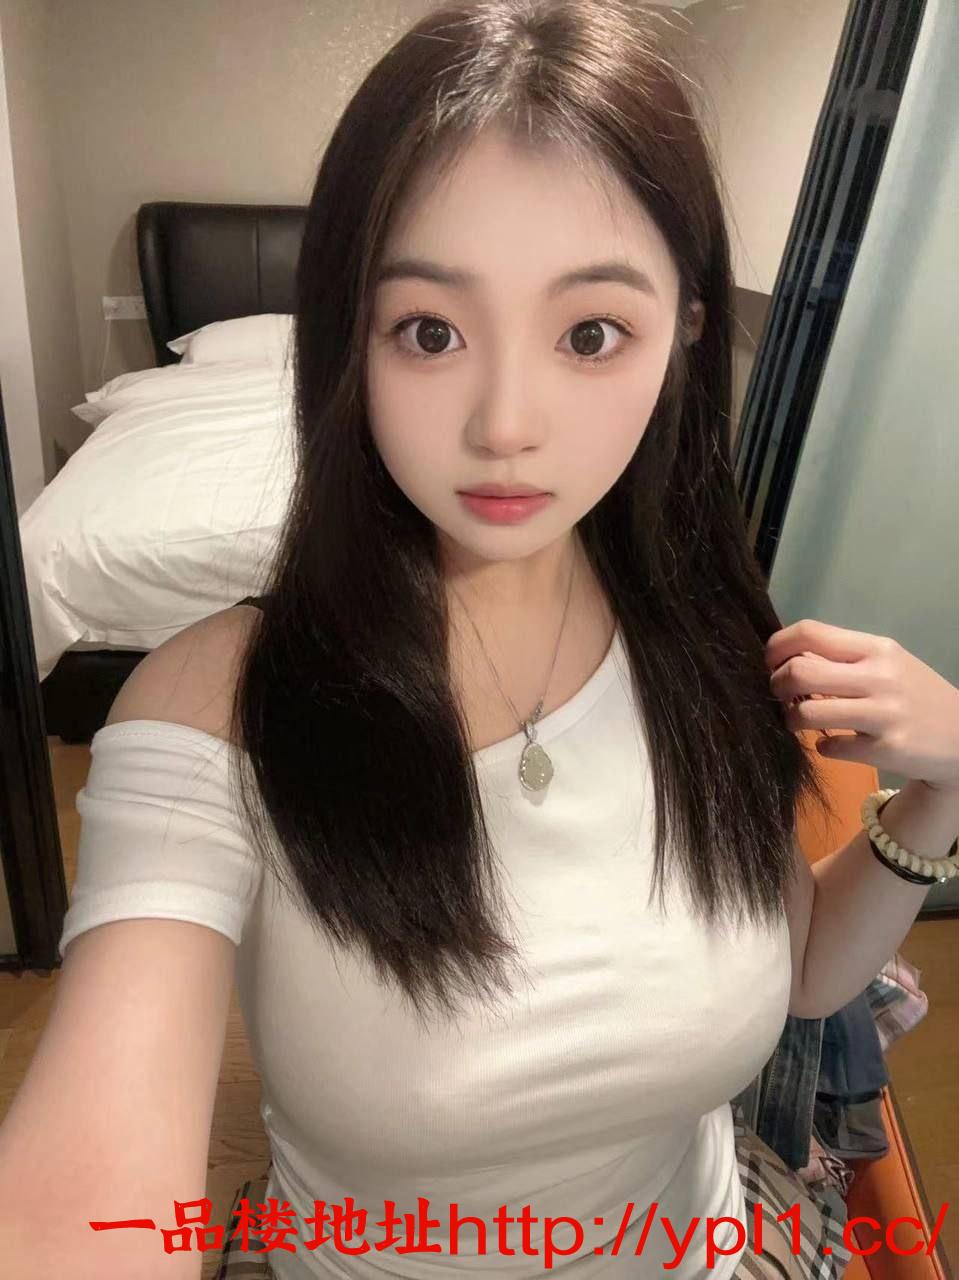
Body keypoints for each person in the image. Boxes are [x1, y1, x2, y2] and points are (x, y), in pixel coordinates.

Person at [4, 2, 959, 1279]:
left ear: (682, 329)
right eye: (430, 331)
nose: (505, 424)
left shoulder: (705, 640)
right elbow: (83, 1196)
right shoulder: (219, 708)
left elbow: (793, 971)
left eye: (588, 334)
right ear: (348, 334)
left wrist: (943, 786)